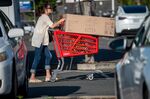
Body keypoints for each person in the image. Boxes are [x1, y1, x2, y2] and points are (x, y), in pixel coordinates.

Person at [29, 3, 65, 83]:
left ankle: (48, 76)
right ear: (45, 9)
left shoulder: (44, 17)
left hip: (41, 40)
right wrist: (60, 21)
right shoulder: (44, 17)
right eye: (49, 8)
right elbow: (52, 26)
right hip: (39, 40)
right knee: (37, 57)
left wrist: (58, 25)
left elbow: (49, 27)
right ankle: (32, 77)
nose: (51, 9)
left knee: (49, 56)